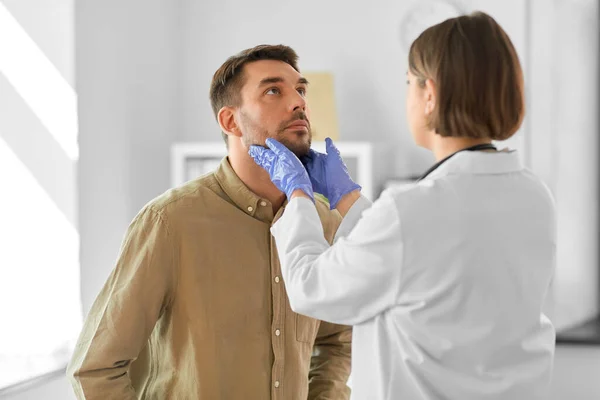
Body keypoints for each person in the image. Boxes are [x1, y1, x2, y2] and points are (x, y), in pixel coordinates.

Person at [250, 12, 556, 400]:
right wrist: (345, 198)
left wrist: (297, 195)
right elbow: (416, 264)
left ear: (430, 94)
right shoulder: (533, 196)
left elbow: (313, 288)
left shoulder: (413, 211)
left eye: (408, 83)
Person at [67, 44, 352, 400]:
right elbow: (95, 368)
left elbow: (335, 341)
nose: (298, 102)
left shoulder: (323, 224)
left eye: (301, 90)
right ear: (230, 120)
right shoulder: (170, 223)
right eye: (273, 90)